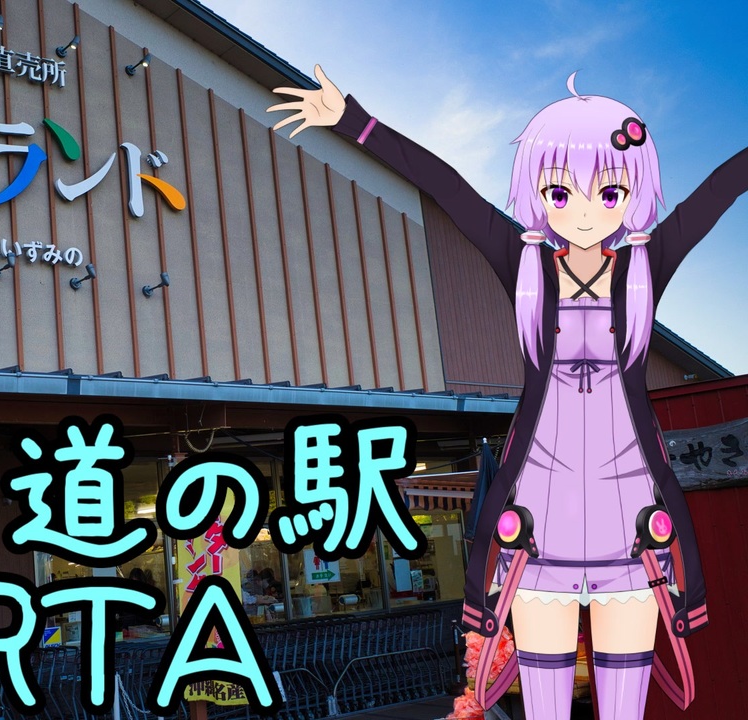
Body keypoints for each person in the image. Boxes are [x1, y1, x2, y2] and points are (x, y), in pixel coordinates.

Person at [270, 66, 743, 720]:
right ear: (539, 194)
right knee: (545, 706)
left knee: (624, 707)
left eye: (609, 191)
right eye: (561, 191)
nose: (584, 210)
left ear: (633, 194)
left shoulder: (644, 267)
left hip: (631, 524)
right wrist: (355, 122)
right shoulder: (524, 266)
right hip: (540, 522)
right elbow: (448, 188)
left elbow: (716, 194)